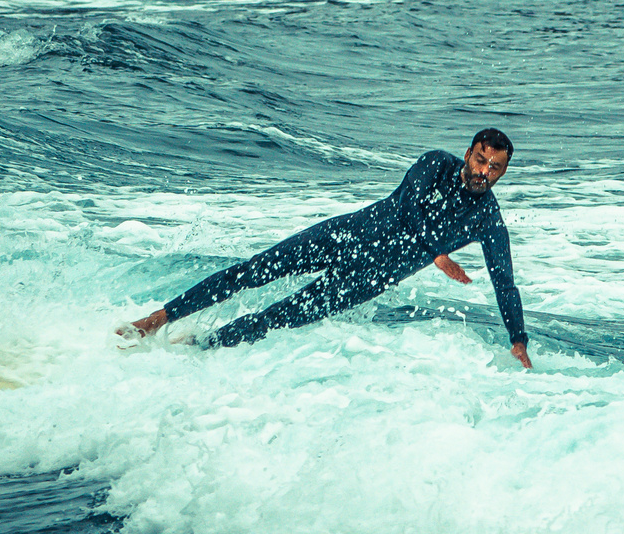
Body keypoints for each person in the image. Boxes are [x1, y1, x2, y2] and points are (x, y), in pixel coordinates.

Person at [122, 129, 532, 367]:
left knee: (273, 319)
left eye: (494, 167)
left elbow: (504, 282)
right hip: (345, 236)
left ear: (504, 171)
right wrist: (436, 254)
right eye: (480, 160)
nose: (483, 172)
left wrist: (518, 340)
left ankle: (194, 351)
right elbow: (409, 206)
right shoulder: (435, 165)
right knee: (251, 271)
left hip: (367, 279)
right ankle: (157, 319)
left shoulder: (487, 219)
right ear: (468, 154)